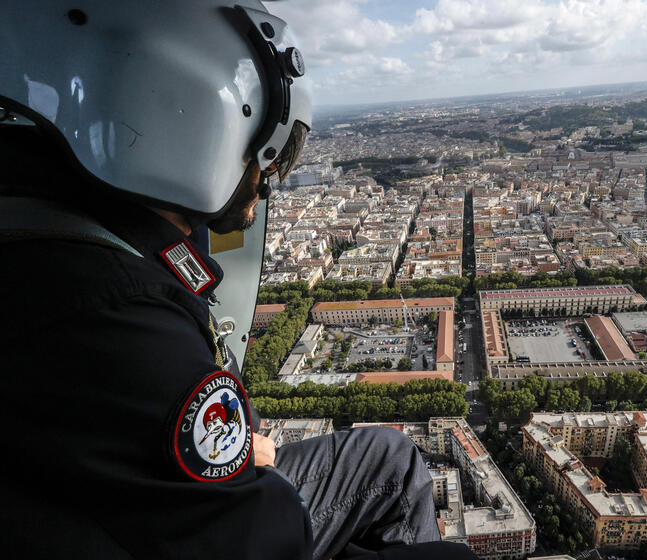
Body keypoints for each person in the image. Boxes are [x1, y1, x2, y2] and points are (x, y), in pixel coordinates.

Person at [0, 2, 476, 559]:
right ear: (203, 126)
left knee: (391, 459)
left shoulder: (62, 231)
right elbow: (258, 540)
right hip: (204, 521)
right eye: (267, 153)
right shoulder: (123, 309)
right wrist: (260, 470)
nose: (267, 182)